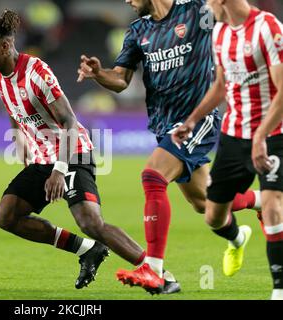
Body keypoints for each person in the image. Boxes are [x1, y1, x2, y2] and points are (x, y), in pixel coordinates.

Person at [0, 10, 180, 292]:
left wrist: (59, 171)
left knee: (91, 222)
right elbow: (13, 110)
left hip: (72, 152)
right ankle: (87, 251)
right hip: (42, 159)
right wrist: (22, 146)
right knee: (6, 216)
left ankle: (160, 274)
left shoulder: (37, 73)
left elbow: (69, 121)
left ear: (5, 46)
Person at [77, 0, 261, 293]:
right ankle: (254, 209)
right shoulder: (138, 30)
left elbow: (236, 14)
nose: (127, 1)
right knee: (206, 203)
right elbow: (121, 79)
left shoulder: (197, 12)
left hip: (199, 118)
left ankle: (154, 268)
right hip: (166, 126)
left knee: (153, 176)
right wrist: (100, 74)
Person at [172, 0, 283, 300]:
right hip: (234, 136)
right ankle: (237, 239)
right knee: (213, 216)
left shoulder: (268, 28)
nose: (207, 7)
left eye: (209, 0)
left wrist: (261, 134)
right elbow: (221, 85)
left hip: (273, 133)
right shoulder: (220, 33)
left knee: (275, 208)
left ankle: (279, 290)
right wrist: (192, 121)